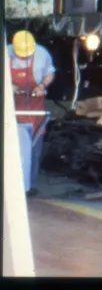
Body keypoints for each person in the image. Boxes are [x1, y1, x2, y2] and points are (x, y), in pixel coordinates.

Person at [7, 31, 55, 195]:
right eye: (21, 56)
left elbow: (50, 73)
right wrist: (8, 86)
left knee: (34, 151)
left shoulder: (42, 54)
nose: (24, 58)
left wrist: (42, 86)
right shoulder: (5, 53)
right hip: (12, 109)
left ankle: (29, 186)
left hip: (35, 110)